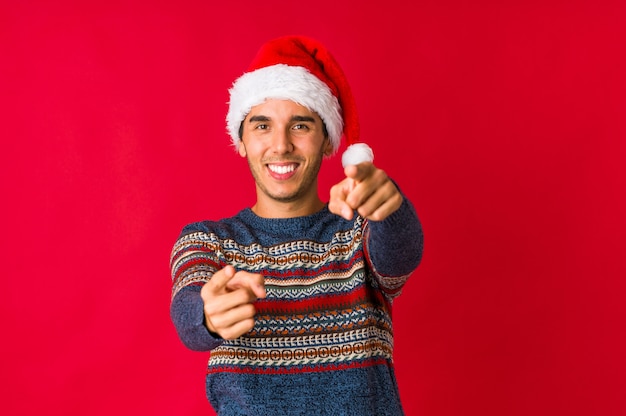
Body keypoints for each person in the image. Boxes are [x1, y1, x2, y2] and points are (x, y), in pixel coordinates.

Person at [170, 35, 424, 415]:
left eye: (300, 126)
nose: (281, 145)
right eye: (262, 126)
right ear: (240, 141)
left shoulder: (357, 232)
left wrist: (385, 206)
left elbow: (401, 253)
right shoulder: (209, 241)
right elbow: (189, 313)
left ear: (326, 141)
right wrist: (206, 314)